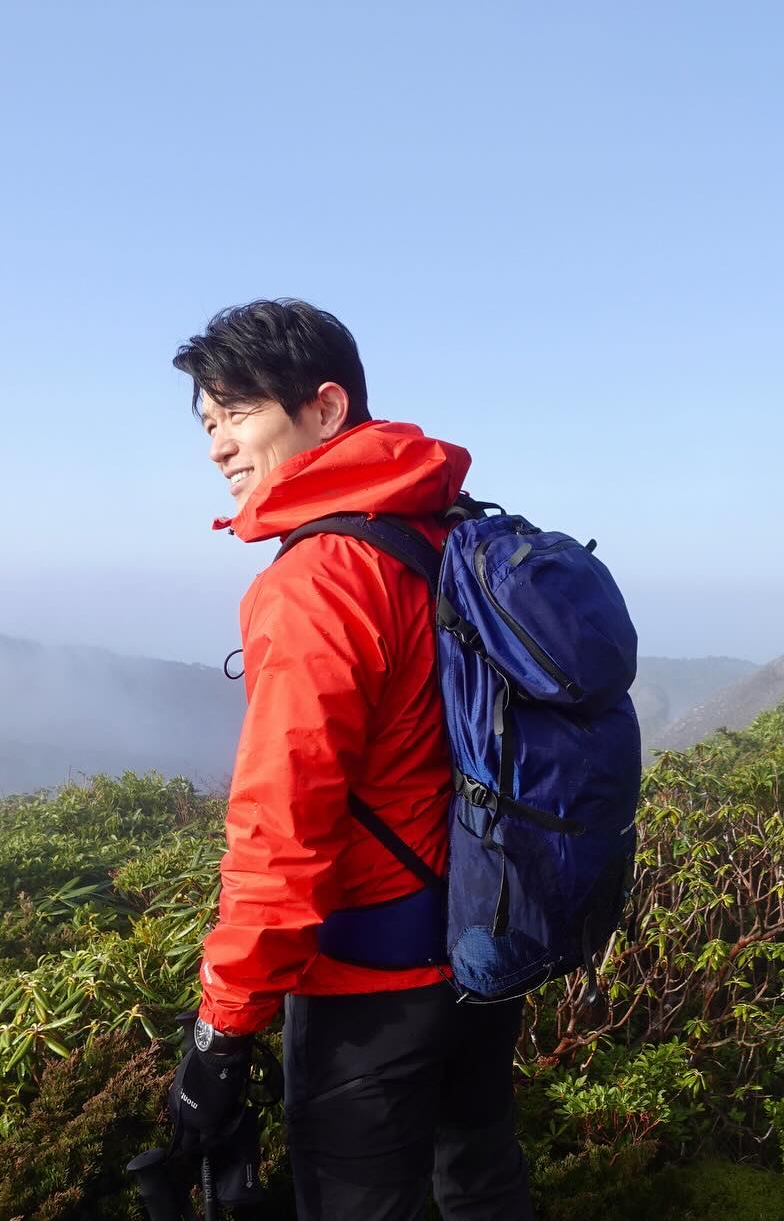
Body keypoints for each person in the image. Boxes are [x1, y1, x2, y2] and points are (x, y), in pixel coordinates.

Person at [166, 299, 534, 1220]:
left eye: (240, 413)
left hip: (370, 992)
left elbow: (281, 834)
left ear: (326, 410)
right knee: (482, 1185)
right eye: (209, 422)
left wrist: (223, 1029)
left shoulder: (320, 580)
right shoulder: (443, 530)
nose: (218, 445)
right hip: (480, 952)